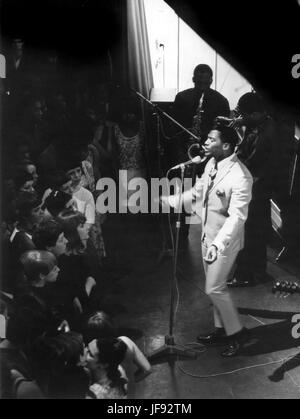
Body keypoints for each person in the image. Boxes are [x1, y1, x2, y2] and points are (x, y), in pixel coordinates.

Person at [162, 121, 253, 357]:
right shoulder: (211, 163)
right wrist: (171, 201)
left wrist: (217, 243)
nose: (205, 143)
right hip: (206, 236)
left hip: (223, 242)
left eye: (211, 140)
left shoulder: (241, 177)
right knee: (215, 288)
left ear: (226, 145)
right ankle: (221, 330)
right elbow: (198, 193)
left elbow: (237, 217)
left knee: (214, 288)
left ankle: (237, 335)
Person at [228, 92, 278, 287]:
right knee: (256, 234)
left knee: (246, 233)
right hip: (260, 188)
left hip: (254, 187)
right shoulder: (264, 123)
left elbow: (251, 162)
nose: (243, 118)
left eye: (246, 115)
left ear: (257, 113)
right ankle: (258, 273)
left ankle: (245, 275)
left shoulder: (264, 134)